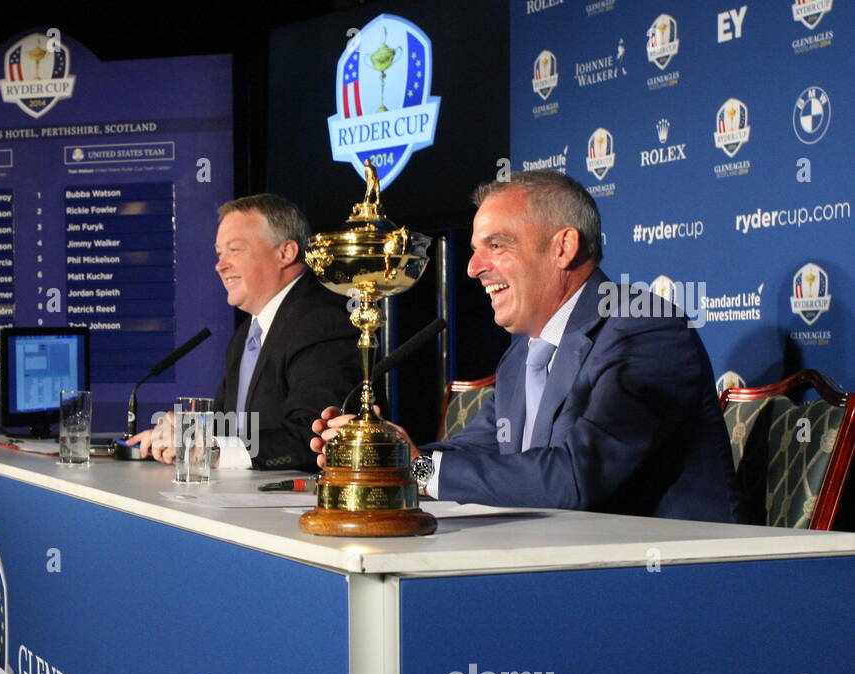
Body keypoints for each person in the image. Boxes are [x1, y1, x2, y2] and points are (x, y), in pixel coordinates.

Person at [311, 170, 739, 523]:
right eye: (477, 249)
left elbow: (578, 477)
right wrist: (382, 458)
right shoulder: (524, 351)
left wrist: (415, 467)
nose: (474, 267)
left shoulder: (644, 329)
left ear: (563, 248)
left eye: (496, 245)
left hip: (667, 578)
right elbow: (480, 450)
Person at [133, 194, 360, 471]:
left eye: (235, 250)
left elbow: (314, 436)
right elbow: (232, 425)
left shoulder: (322, 321)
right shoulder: (248, 332)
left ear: (285, 253)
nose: (220, 265)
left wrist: (210, 450)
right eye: (219, 253)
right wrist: (178, 434)